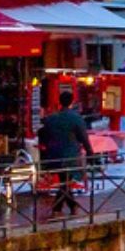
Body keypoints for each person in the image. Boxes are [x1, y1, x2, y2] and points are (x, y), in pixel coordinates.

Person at [39, 88, 91, 216]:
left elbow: (43, 134)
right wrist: (90, 151)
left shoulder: (51, 118)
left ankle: (63, 206)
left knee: (64, 180)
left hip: (54, 154)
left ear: (59, 102)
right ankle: (62, 206)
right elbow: (83, 137)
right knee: (66, 180)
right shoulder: (76, 118)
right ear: (72, 102)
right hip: (70, 154)